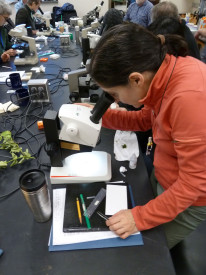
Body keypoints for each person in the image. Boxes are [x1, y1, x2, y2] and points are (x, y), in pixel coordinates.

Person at [85, 23, 206, 249]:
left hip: (190, 199)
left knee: (143, 253)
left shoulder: (189, 98)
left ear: (136, 79)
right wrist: (100, 117)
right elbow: (145, 120)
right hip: (165, 175)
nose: (116, 101)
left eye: (114, 94)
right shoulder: (164, 72)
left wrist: (139, 218)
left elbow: (194, 184)